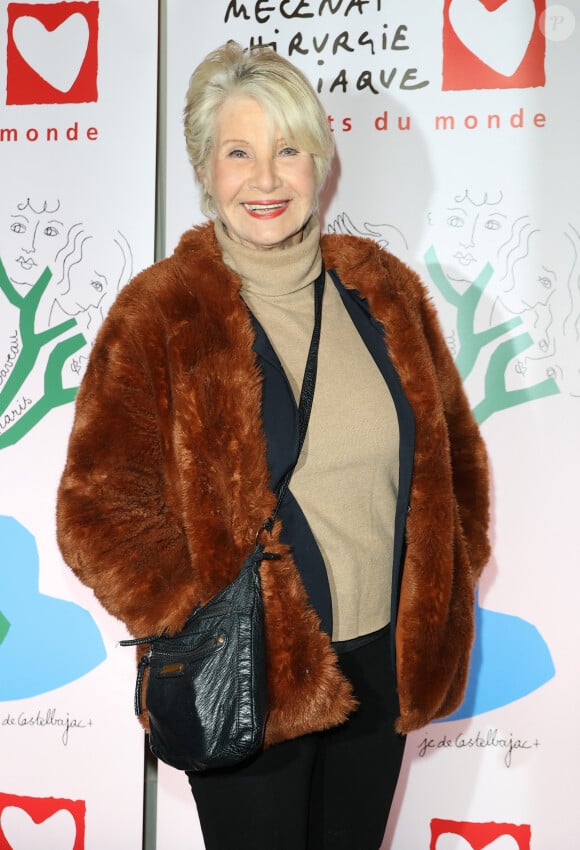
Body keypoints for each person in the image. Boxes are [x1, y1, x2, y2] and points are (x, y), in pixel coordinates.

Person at [56, 42, 490, 850]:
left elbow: (453, 459)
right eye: (239, 153)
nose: (265, 179)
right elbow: (97, 514)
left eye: (287, 150)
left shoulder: (381, 288)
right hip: (252, 678)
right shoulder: (162, 310)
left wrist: (442, 582)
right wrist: (213, 618)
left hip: (383, 665)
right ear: (205, 169)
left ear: (319, 163)